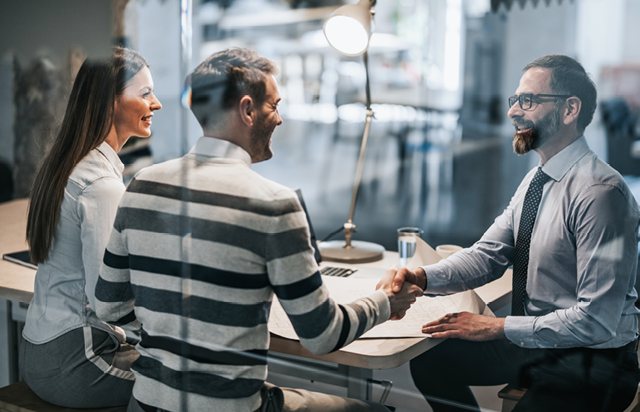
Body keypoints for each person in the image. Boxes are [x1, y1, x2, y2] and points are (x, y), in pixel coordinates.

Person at [94, 47, 422, 412]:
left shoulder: (141, 184)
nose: (279, 119)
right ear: (247, 110)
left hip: (147, 402)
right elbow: (321, 335)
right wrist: (386, 302)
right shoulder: (273, 203)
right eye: (274, 106)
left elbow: (109, 307)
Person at [393, 54, 640, 412]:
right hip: (536, 345)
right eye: (515, 101)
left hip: (592, 360)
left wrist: (496, 327)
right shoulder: (537, 180)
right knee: (431, 362)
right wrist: (421, 278)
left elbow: (596, 321)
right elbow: (488, 255)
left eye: (528, 100)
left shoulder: (601, 193)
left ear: (570, 109)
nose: (513, 112)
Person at [22, 46, 162, 408]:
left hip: (41, 352)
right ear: (110, 102)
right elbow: (108, 303)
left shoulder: (67, 164)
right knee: (191, 384)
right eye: (145, 93)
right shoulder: (101, 186)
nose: (156, 103)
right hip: (77, 363)